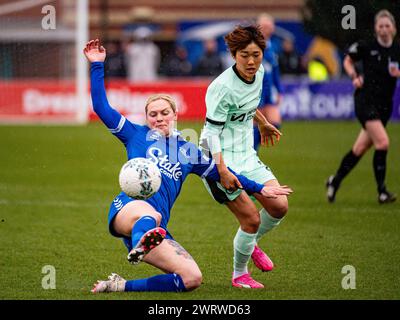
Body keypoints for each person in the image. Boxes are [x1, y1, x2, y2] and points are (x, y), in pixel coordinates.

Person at [83, 39, 292, 293]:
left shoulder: (190, 152)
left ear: (175, 115)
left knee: (191, 278)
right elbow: (101, 107)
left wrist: (261, 188)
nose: (159, 118)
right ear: (146, 118)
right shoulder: (135, 134)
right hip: (128, 210)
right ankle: (140, 243)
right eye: (153, 114)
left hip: (158, 231)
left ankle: (118, 285)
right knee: (151, 213)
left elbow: (224, 174)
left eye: (164, 113)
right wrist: (96, 65)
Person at [199, 25, 290, 289]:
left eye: (256, 54)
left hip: (246, 155)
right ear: (233, 55)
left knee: (279, 206)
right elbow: (209, 133)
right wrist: (223, 171)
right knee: (250, 219)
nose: (251, 62)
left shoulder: (259, 73)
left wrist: (261, 122)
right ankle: (240, 274)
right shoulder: (221, 88)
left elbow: (248, 105)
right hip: (219, 160)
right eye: (244, 55)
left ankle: (250, 243)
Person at [326, 10, 399, 204]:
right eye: (380, 26)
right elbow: (348, 60)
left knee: (359, 149)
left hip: (385, 105)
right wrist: (354, 76)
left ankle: (335, 181)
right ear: (376, 28)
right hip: (365, 101)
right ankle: (382, 191)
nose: (384, 29)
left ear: (394, 28)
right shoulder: (367, 46)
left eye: (387, 25)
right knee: (382, 142)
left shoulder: (396, 50)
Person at [253, 13, 284, 151]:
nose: (268, 29)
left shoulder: (272, 46)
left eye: (270, 26)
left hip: (269, 90)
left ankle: (253, 150)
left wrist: (279, 90)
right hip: (256, 89)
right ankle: (251, 154)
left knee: (275, 122)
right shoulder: (253, 46)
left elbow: (275, 71)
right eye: (264, 26)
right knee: (256, 123)